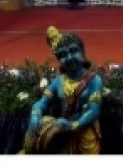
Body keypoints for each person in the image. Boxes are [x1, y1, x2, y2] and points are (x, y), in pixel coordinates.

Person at [23, 26, 102, 154]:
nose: (69, 58)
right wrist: (35, 114)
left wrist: (73, 125)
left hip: (85, 136)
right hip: (62, 134)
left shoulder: (94, 80)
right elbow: (43, 102)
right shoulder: (58, 81)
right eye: (63, 55)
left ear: (83, 52)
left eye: (73, 51)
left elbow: (94, 110)